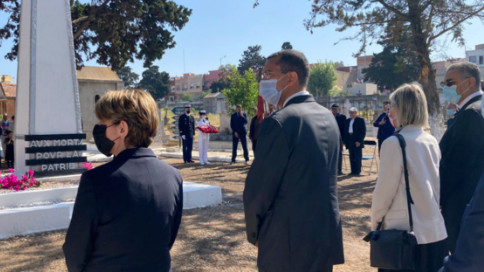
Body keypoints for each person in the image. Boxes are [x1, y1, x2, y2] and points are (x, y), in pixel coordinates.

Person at [244, 50, 344, 272]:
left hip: (286, 242)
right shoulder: (327, 116)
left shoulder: (279, 122)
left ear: (290, 77)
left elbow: (259, 189)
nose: (263, 81)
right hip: (323, 235)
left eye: (268, 73)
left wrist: (256, 231)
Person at [63, 90, 183, 272]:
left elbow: (76, 250)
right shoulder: (173, 176)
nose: (99, 128)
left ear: (122, 129)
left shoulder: (96, 180)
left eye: (103, 123)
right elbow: (168, 239)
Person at [371, 84, 447, 272]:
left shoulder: (394, 143)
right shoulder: (431, 141)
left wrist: (376, 224)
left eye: (391, 107)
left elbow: (383, 193)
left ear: (401, 108)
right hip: (434, 231)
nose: (389, 112)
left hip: (403, 237)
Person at [439, 62, 484, 253]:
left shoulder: (471, 114)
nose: (445, 88)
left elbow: (456, 167)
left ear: (470, 82)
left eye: (450, 82)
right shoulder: (470, 111)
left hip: (463, 207)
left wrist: (438, 198)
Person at [345, 107, 366, 176]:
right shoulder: (348, 120)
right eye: (350, 113)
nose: (352, 114)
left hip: (357, 140)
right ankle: (352, 171)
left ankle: (357, 171)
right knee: (351, 156)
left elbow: (363, 132)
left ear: (356, 113)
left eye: (353, 112)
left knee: (357, 156)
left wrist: (359, 141)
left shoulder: (360, 120)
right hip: (350, 139)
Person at [331, 104, 347, 175]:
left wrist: (343, 140)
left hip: (339, 138)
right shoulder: (329, 116)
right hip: (331, 137)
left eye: (335, 109)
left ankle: (339, 169)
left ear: (338, 109)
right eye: (333, 109)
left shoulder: (342, 117)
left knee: (339, 154)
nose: (334, 110)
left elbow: (344, 129)